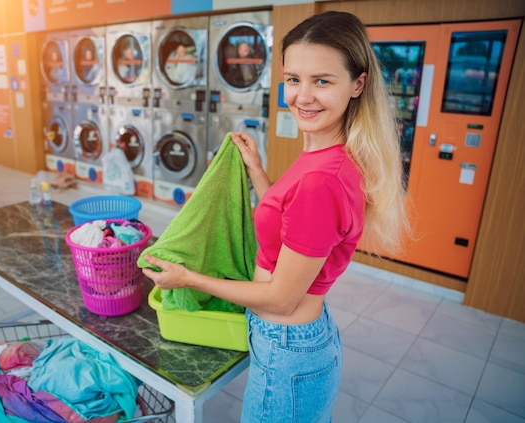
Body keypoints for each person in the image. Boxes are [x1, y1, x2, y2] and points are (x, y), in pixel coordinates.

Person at [142, 10, 409, 422]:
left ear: (358, 84)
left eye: (322, 80)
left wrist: (187, 278)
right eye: (293, 79)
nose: (303, 96)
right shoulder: (325, 154)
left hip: (286, 345)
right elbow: (295, 225)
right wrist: (257, 172)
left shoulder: (323, 179)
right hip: (296, 340)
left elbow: (282, 299)